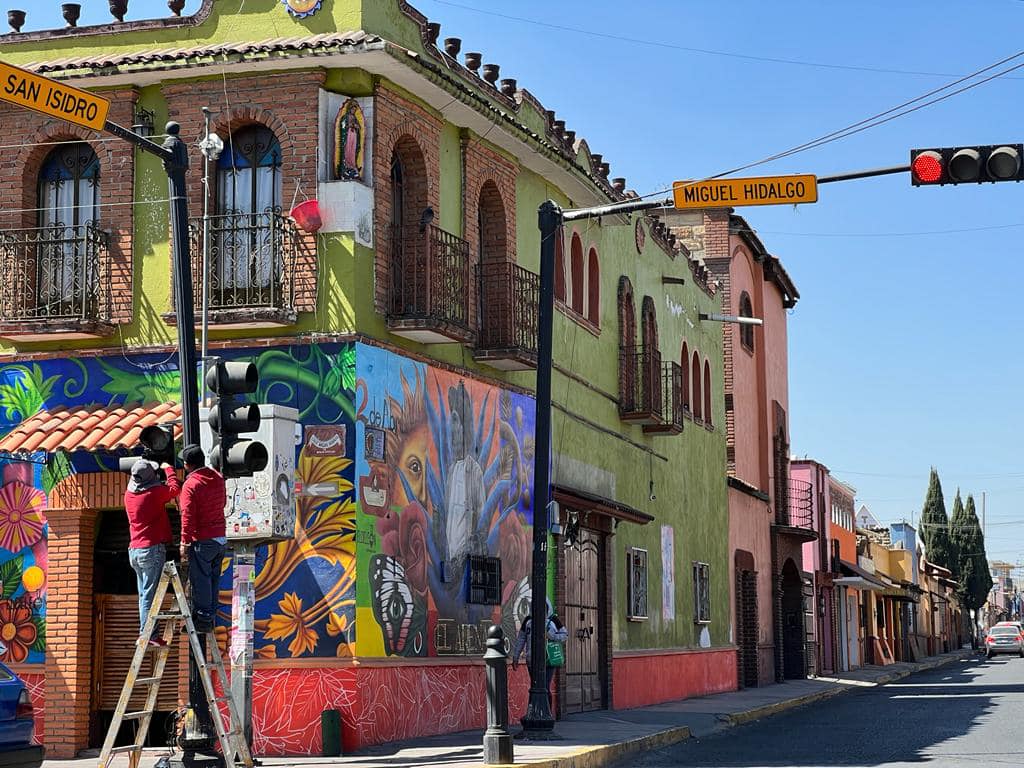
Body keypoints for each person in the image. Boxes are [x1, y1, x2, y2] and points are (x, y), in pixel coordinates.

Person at [124, 458, 180, 647]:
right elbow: (175, 490)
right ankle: (148, 635)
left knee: (144, 594)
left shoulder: (129, 495)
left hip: (135, 551)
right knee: (149, 595)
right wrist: (168, 469)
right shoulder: (153, 493)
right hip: (151, 549)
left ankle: (147, 633)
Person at [178, 444, 227, 633]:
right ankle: (208, 616)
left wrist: (184, 541)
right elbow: (222, 503)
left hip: (203, 539)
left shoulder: (191, 484)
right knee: (213, 580)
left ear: (187, 464)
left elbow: (187, 516)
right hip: (220, 538)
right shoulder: (217, 478)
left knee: (201, 580)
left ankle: (203, 619)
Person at [511, 613, 569, 705]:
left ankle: (547, 713)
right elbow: (521, 638)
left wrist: (551, 636)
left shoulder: (553, 619)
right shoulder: (528, 620)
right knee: (534, 686)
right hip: (532, 659)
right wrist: (515, 656)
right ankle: (532, 712)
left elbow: (565, 635)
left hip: (549, 659)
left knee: (545, 686)